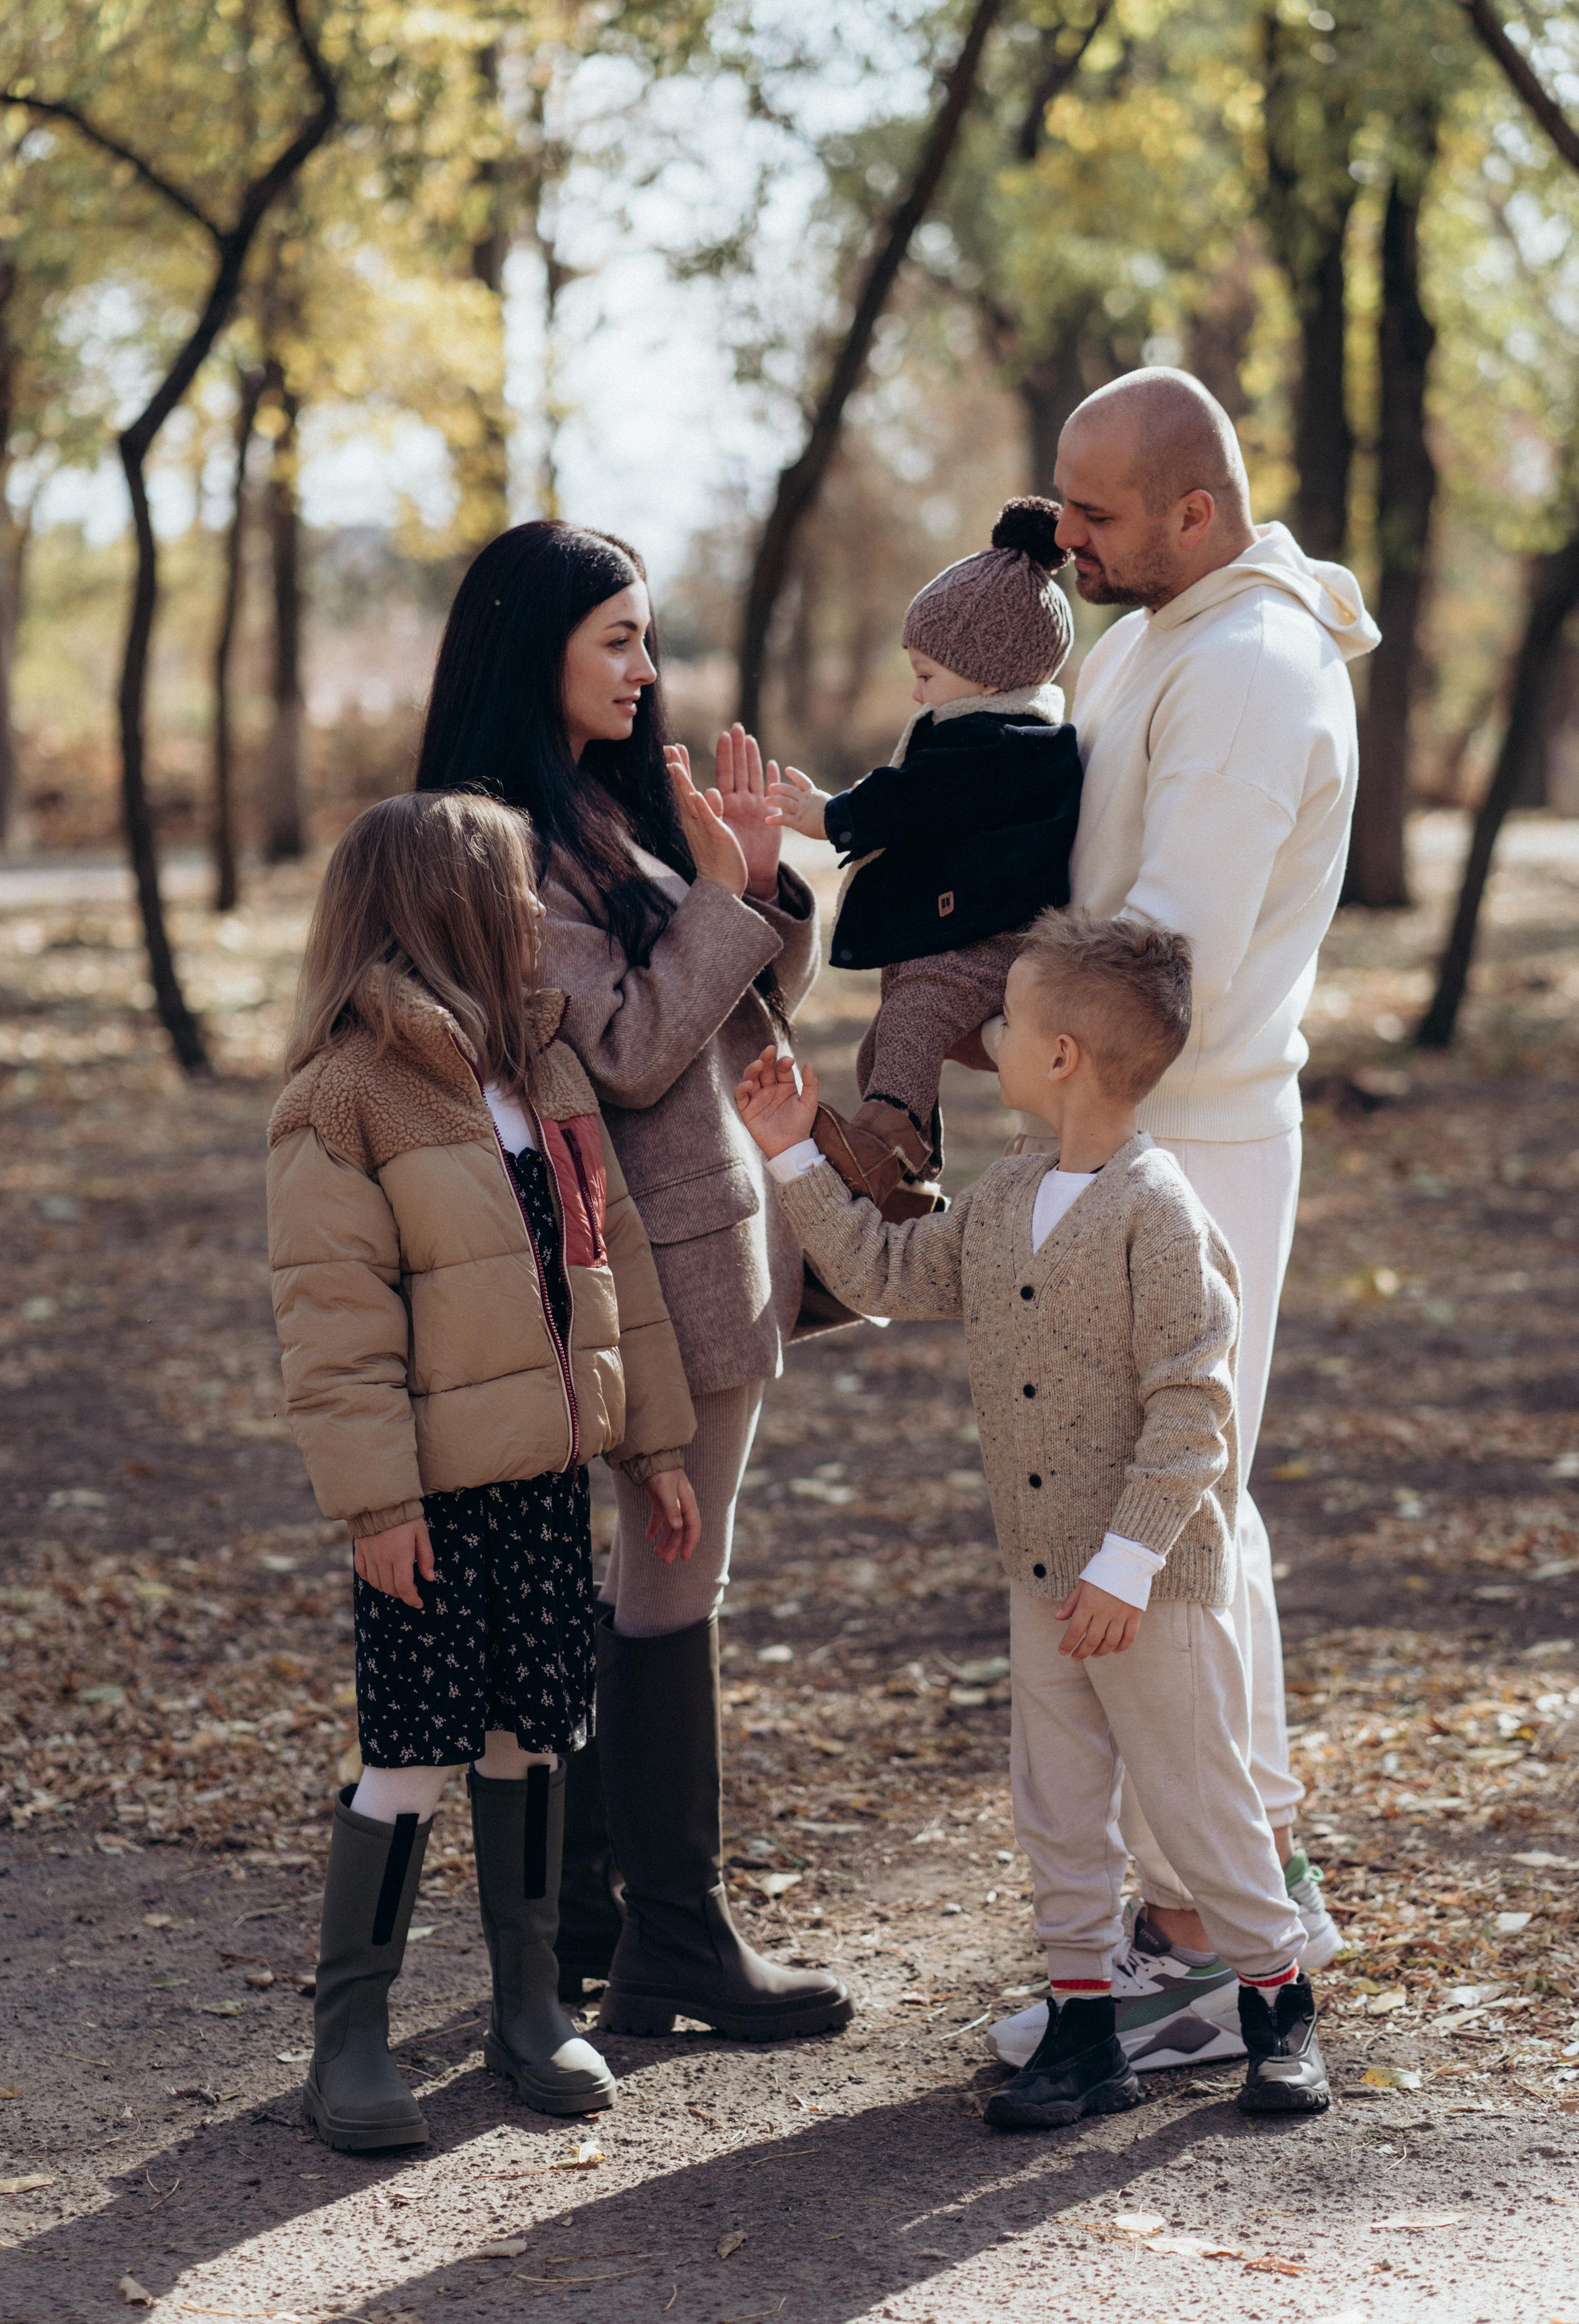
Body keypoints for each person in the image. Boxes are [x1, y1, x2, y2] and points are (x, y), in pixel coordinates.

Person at [737, 912, 1330, 2127]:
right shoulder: (1009, 1192)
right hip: (1039, 1570)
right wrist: (794, 1152)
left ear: (1057, 1055)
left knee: (1194, 1795)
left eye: (1004, 1016)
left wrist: (1126, 1563)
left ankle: (1277, 2005)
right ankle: (1078, 2033)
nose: (986, 1032)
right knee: (1055, 1804)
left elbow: (1190, 1407)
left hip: (1143, 1582)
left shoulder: (1156, 1212)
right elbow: (892, 1275)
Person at [978, 369, 1377, 2075]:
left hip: (1179, 1141)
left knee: (1169, 1536)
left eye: (1099, 514)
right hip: (1112, 1127)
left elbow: (1162, 969)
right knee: (1204, 1522)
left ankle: (1219, 1947)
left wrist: (1028, 1110)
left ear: (1197, 512)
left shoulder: (1252, 670)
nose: (1063, 540)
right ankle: (1242, 1880)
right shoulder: (1158, 628)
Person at [414, 520, 852, 2043]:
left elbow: (726, 1002)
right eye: (616, 639)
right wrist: (723, 897)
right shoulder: (499, 850)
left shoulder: (595, 812)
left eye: (645, 637)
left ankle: (600, 1913)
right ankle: (677, 1932)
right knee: (673, 1572)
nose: (643, 667)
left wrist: (757, 885)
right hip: (636, 1275)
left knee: (637, 1577)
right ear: (527, 647)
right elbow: (623, 1047)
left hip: (700, 1243)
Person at [265, 792, 701, 2151]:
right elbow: (332, 1325)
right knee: (410, 1754)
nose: (531, 914)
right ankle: (350, 2034)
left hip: (544, 1482)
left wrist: (656, 1438)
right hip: (430, 1501)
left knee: (532, 1735)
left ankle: (530, 2002)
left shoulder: (545, 1072)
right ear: (439, 909)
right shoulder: (343, 1096)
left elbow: (612, 1256)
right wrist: (377, 1503)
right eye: (511, 894)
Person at [768, 498, 1080, 1217]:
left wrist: (831, 817)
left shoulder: (1001, 748)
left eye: (927, 675)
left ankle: (884, 1141)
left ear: (988, 669)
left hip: (985, 946)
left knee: (911, 1025)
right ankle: (911, 1179)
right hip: (962, 938)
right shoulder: (994, 742)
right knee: (882, 1049)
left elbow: (914, 798)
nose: (915, 692)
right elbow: (923, 797)